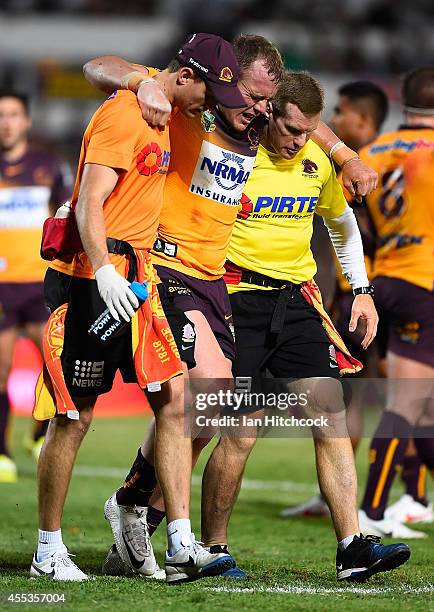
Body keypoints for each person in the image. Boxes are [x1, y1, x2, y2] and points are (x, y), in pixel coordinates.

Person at [83, 35, 379, 578]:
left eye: (269, 102)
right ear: (226, 79)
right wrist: (140, 81)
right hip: (172, 271)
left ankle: (140, 516)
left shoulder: (262, 125)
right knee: (205, 410)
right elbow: (98, 64)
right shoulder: (189, 107)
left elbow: (301, 118)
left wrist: (342, 152)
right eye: (257, 97)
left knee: (212, 413)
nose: (263, 110)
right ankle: (164, 527)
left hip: (225, 285)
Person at [30, 33, 245, 583]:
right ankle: (48, 549)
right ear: (188, 75)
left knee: (173, 402)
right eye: (209, 97)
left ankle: (179, 540)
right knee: (73, 418)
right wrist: (102, 270)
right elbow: (91, 202)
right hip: (87, 281)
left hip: (140, 280)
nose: (211, 112)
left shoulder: (173, 111)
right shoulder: (127, 114)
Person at [280, 80, 391, 519]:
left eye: (342, 113)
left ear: (362, 120)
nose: (334, 125)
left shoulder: (377, 166)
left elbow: (347, 233)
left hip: (361, 295)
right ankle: (343, 498)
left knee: (363, 397)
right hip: (374, 292)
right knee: (353, 399)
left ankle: (382, 502)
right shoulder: (346, 162)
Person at [356, 67, 434, 538]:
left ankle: (411, 499)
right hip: (424, 283)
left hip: (383, 279)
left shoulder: (371, 153)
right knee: (407, 404)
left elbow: (354, 221)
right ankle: (372, 510)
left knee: (425, 410)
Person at [0, 90, 73, 482]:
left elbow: (65, 218)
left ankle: (40, 429)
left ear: (26, 121)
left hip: (39, 283)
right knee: (1, 368)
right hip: (1, 287)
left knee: (54, 361)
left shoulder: (49, 166)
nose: (6, 122)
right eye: (1, 115)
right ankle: (2, 453)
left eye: (13, 114)